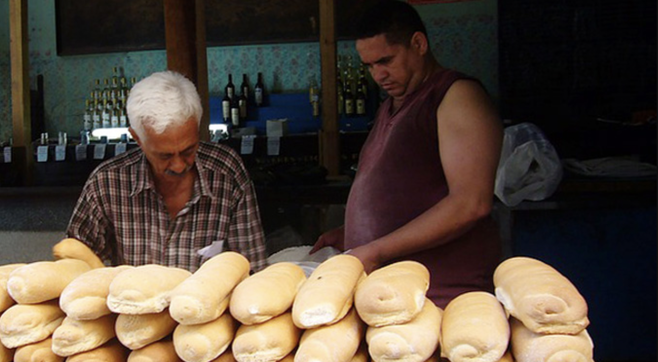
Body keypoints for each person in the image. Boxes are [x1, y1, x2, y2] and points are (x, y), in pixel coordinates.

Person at [311, 0, 503, 308]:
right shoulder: (391, 105)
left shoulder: (456, 95)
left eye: (386, 60)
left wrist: (375, 249)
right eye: (370, 66)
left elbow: (470, 203)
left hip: (441, 293)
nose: (379, 75)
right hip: (392, 293)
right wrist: (353, 231)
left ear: (418, 43)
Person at [66, 70, 268, 273]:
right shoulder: (107, 183)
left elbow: (251, 268)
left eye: (188, 150)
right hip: (132, 303)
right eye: (165, 156)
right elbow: (75, 261)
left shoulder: (226, 173)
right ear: (137, 139)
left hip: (207, 304)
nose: (179, 165)